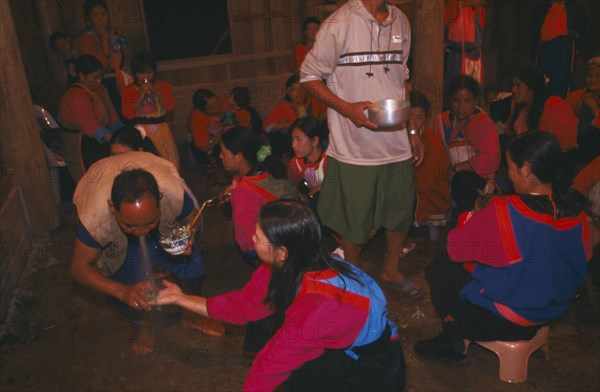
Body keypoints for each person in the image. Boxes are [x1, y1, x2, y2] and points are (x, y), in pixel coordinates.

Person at [153, 199, 406, 391]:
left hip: (371, 366)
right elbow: (241, 307)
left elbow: (270, 364)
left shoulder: (317, 304)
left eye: (259, 236)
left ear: (282, 251)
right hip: (339, 345)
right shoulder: (291, 262)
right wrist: (179, 297)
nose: (251, 238)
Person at [414, 131, 592, 364]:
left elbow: (456, 248)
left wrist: (475, 214)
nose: (507, 173)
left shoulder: (506, 210)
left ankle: (452, 340)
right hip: (552, 311)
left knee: (441, 265)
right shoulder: (576, 211)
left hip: (506, 322)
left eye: (509, 166)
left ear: (526, 169)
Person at [300, 0, 425, 299]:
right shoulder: (339, 23)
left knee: (401, 211)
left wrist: (411, 131)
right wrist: (346, 109)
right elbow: (308, 76)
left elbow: (401, 82)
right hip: (354, 146)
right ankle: (354, 277)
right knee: (354, 220)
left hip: (396, 145)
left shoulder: (402, 21)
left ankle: (391, 269)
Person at [71, 155, 224, 355]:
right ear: (112, 208)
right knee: (122, 275)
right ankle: (140, 325)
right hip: (112, 231)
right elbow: (79, 268)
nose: (142, 232)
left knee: (191, 259)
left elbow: (194, 218)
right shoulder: (96, 219)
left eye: (150, 222)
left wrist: (189, 237)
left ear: (160, 200)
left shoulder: (172, 193)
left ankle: (189, 315)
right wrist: (122, 292)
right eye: (130, 225)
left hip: (161, 220)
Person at [219, 126, 298, 261]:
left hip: (277, 257)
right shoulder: (263, 169)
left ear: (238, 156)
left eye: (223, 152)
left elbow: (248, 249)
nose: (220, 156)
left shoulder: (243, 192)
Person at [433, 75, 500, 214]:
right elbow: (435, 151)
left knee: (462, 180)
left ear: (475, 101)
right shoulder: (440, 121)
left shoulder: (484, 123)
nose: (461, 107)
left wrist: (458, 168)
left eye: (467, 101)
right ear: (449, 100)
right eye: (456, 100)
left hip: (476, 178)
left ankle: (467, 217)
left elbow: (491, 158)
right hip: (446, 172)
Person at [506, 66, 578, 174]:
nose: (513, 90)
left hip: (555, 166)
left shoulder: (555, 106)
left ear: (532, 88)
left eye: (518, 85)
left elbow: (563, 149)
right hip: (530, 162)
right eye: (513, 85)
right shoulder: (520, 106)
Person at [59, 54, 123, 172]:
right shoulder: (75, 96)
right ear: (81, 76)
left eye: (101, 77)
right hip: (82, 144)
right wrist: (120, 142)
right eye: (94, 77)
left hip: (101, 137)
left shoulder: (101, 89)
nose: (99, 81)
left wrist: (121, 133)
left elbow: (112, 116)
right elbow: (93, 127)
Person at [121, 51, 179, 169]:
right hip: (142, 130)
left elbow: (169, 108)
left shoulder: (163, 86)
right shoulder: (129, 90)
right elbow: (128, 114)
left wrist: (157, 92)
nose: (146, 77)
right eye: (141, 73)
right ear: (135, 73)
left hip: (161, 129)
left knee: (166, 159)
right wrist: (142, 95)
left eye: (149, 72)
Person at [410, 91, 452, 240]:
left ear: (426, 119)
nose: (413, 124)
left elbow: (424, 182)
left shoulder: (432, 142)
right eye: (409, 118)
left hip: (429, 196)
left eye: (419, 118)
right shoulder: (398, 138)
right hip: (413, 189)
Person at [78, 0, 127, 116]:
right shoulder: (85, 39)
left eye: (103, 14)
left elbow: (120, 60)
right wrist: (104, 40)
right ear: (88, 19)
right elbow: (99, 66)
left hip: (117, 81)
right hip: (101, 85)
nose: (101, 18)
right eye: (95, 15)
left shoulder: (112, 33)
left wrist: (112, 39)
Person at [264, 75, 326, 162]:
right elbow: (267, 127)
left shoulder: (313, 100)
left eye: (302, 88)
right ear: (288, 92)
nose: (299, 93)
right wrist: (287, 125)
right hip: (295, 146)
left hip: (315, 142)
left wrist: (319, 118)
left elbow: (325, 113)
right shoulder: (283, 106)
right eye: (294, 89)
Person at [443, 0, 486, 107]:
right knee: (455, 94)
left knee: (473, 94)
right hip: (455, 56)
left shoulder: (478, 7)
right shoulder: (453, 5)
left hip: (474, 56)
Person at [287, 116, 327, 209]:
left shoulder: (329, 161)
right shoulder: (295, 164)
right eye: (292, 139)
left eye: (298, 139)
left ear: (315, 141)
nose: (293, 145)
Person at [566, 56, 600, 165]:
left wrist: (595, 109)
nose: (593, 79)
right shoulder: (575, 96)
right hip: (575, 149)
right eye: (590, 75)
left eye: (597, 76)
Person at [188, 88, 225, 170]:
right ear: (204, 111)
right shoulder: (197, 119)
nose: (218, 106)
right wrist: (221, 134)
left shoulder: (223, 101)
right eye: (213, 107)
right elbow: (203, 145)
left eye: (217, 101)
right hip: (210, 146)